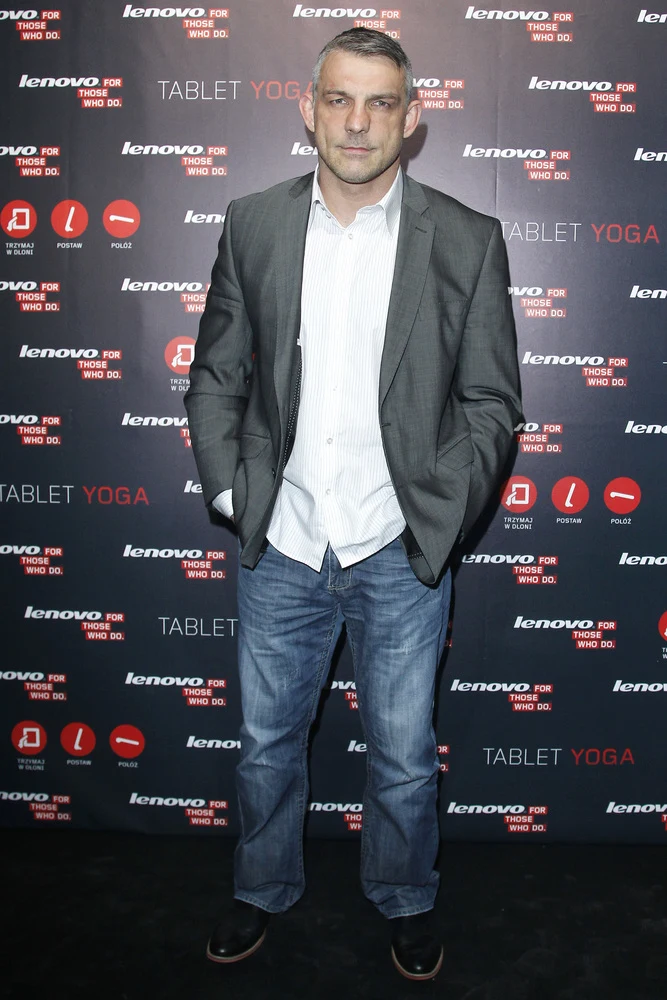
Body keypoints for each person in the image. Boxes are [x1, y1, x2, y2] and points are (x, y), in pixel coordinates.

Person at [184, 27, 521, 981]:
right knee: (264, 746)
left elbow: (491, 401)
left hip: (397, 547)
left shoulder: (465, 239)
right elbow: (215, 376)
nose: (358, 122)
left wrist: (438, 515)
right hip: (282, 541)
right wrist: (231, 491)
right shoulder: (253, 223)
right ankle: (260, 887)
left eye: (380, 102)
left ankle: (406, 898)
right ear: (309, 109)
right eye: (339, 99)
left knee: (405, 756)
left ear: (411, 118)